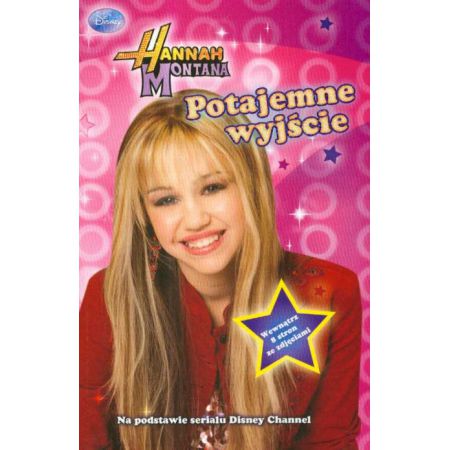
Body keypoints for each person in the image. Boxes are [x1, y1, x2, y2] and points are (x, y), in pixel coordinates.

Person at [80, 90, 362, 450]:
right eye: (166, 200)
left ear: (251, 185)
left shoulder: (327, 293)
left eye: (212, 187)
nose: (195, 219)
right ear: (145, 217)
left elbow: (329, 440)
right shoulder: (112, 297)